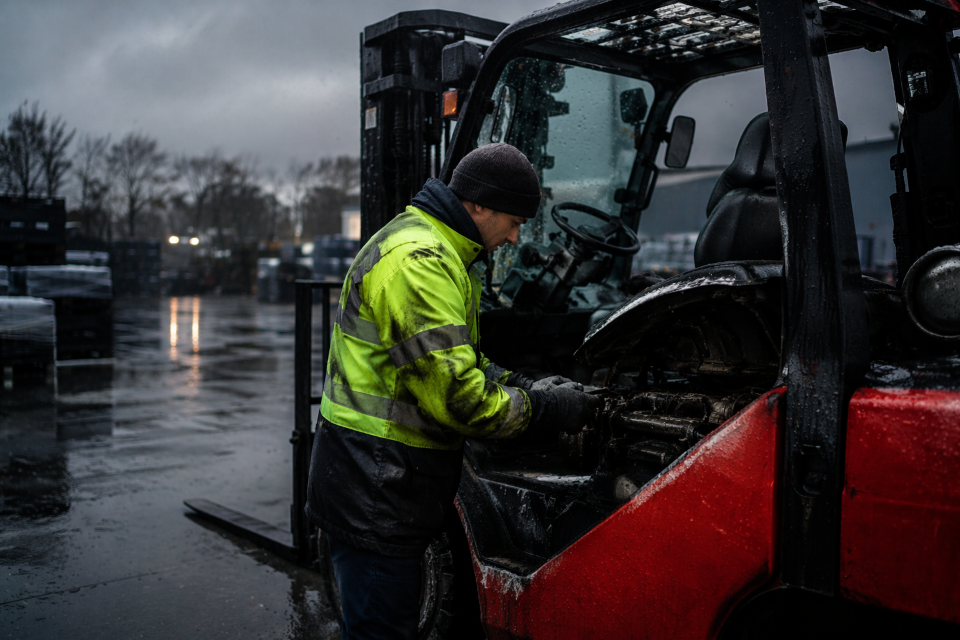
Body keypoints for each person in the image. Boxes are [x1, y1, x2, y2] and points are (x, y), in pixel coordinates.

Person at [305, 143, 600, 639]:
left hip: (387, 481)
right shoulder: (418, 262)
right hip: (376, 488)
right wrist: (548, 408)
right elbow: (462, 399)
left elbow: (463, 361)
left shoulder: (442, 253)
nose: (515, 235)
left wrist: (522, 384)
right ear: (479, 205)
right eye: (513, 220)